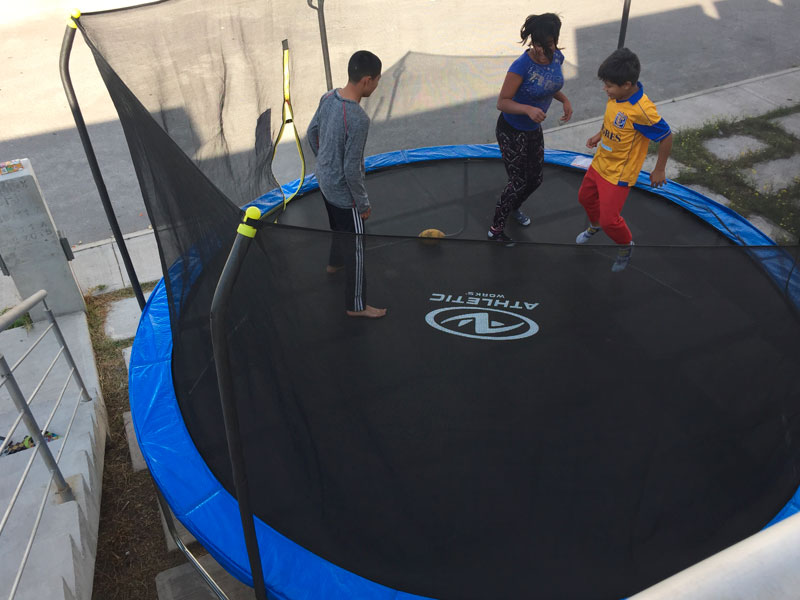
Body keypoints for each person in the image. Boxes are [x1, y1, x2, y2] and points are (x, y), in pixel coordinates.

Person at [576, 47, 673, 272]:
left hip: (618, 174)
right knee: (585, 198)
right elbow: (611, 120)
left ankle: (625, 245)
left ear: (627, 85)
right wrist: (599, 135)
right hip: (600, 163)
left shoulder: (642, 111)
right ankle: (595, 225)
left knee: (610, 220)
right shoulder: (616, 97)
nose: (605, 89)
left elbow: (666, 137)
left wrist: (659, 169)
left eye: (609, 86)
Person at [307, 50, 387, 318]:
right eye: (377, 80)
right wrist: (363, 204)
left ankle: (333, 264)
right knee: (357, 246)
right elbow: (352, 169)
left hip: (324, 181)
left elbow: (311, 132)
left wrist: (324, 161)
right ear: (366, 80)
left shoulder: (328, 96)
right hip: (343, 193)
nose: (376, 85)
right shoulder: (358, 119)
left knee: (338, 228)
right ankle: (357, 305)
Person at [487, 13, 573, 244]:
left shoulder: (557, 57)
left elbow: (549, 84)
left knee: (535, 179)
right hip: (511, 129)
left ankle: (514, 207)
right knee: (518, 181)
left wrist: (564, 100)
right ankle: (496, 229)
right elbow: (502, 102)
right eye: (539, 45)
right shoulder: (521, 66)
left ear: (555, 40)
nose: (544, 51)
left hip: (532, 128)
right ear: (533, 42)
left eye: (550, 44)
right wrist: (527, 109)